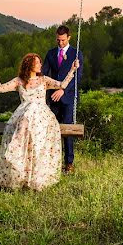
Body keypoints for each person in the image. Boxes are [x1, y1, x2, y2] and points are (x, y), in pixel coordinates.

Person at [0, 53, 78, 191]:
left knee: (34, 107)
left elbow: (62, 85)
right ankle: (17, 158)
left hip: (41, 119)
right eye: (37, 63)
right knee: (30, 108)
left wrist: (72, 69)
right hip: (24, 118)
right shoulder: (19, 81)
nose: (40, 65)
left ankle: (24, 161)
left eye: (40, 63)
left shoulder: (44, 80)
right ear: (29, 64)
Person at [41, 25, 82, 173]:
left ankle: (68, 163)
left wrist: (63, 90)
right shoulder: (51, 54)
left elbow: (77, 78)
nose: (60, 43)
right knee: (51, 130)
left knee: (67, 130)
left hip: (68, 98)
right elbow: (42, 73)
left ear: (69, 37)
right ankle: (51, 162)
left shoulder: (76, 54)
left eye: (63, 40)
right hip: (52, 98)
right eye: (58, 40)